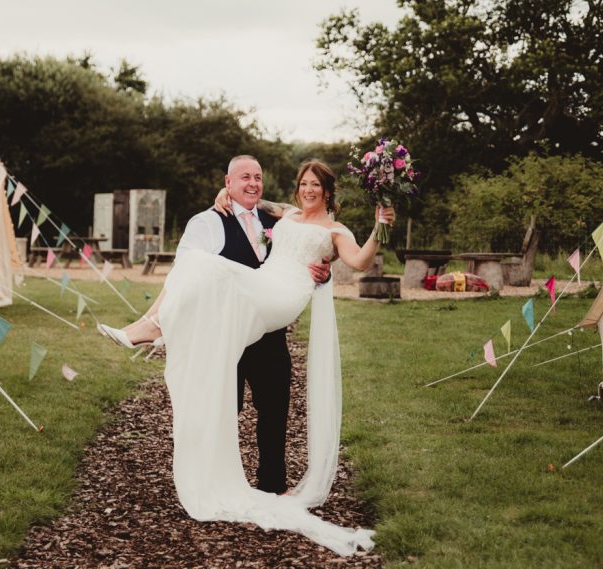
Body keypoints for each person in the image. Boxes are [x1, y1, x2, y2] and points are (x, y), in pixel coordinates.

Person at [99, 158, 394, 555]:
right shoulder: (285, 213)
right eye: (303, 183)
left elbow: (359, 261)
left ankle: (155, 326)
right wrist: (227, 192)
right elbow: (257, 201)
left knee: (212, 272)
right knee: (200, 263)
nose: (308, 190)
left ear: (328, 192)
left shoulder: (337, 229)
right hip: (259, 286)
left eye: (315, 185)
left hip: (283, 295)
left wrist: (381, 226)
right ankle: (151, 324)